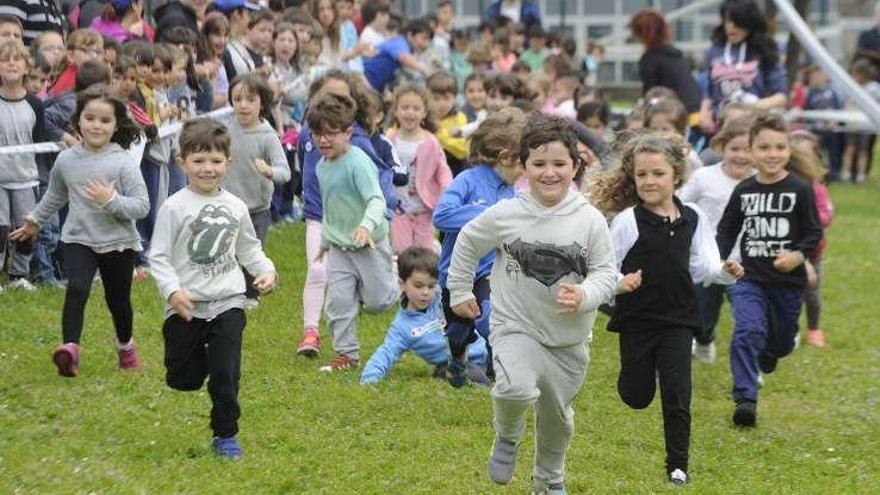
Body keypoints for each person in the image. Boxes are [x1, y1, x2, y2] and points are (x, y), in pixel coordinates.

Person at [448, 115, 617, 494]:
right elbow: (469, 240)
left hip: (568, 340)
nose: (549, 173)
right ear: (524, 166)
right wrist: (459, 291)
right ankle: (507, 437)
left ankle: (549, 481)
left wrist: (585, 294)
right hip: (515, 326)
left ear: (575, 166)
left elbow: (607, 273)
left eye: (559, 164)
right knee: (513, 390)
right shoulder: (508, 213)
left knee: (557, 418)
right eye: (539, 164)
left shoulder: (589, 220)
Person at [591, 134, 743, 486]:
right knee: (636, 396)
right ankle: (635, 382)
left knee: (678, 395)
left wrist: (726, 271)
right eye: (642, 174)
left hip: (678, 320)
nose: (649, 181)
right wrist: (619, 282)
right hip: (636, 321)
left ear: (676, 175)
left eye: (657, 173)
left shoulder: (694, 218)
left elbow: (704, 266)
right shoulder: (628, 220)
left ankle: (678, 465)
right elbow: (605, 265)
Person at [149, 118, 277, 460]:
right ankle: (199, 361)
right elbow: (158, 256)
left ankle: (226, 434)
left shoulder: (235, 207)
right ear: (182, 162)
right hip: (186, 306)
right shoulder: (174, 207)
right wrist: (173, 291)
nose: (208, 169)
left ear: (228, 162)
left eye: (216, 161)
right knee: (184, 378)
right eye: (199, 160)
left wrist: (265, 269)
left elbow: (249, 247)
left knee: (226, 374)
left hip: (228, 302)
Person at [10, 84, 148, 377]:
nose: (96, 125)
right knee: (76, 289)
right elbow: (55, 195)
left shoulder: (123, 161)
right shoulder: (68, 159)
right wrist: (34, 221)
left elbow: (141, 206)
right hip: (78, 238)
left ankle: (125, 346)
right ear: (78, 120)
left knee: (118, 299)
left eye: (105, 120)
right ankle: (70, 349)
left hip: (118, 242)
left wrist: (110, 200)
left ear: (116, 125)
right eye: (90, 118)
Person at [716, 112, 823, 427]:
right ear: (751, 150)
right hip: (750, 278)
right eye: (764, 147)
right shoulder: (745, 190)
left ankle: (771, 353)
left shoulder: (800, 189)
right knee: (748, 331)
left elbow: (813, 233)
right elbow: (727, 229)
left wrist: (799, 256)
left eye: (779, 147)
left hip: (788, 284)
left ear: (788, 150)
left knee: (780, 343)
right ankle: (745, 399)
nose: (772, 154)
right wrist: (720, 261)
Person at [433, 107, 527, 388]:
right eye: (525, 161)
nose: (528, 170)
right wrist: (488, 214)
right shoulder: (468, 180)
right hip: (456, 274)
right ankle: (457, 358)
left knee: (492, 324)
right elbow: (442, 216)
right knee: (459, 334)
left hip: (490, 274)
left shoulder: (513, 190)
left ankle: (500, 374)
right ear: (505, 158)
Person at [308, 92, 398, 372]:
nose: (323, 140)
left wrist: (365, 226)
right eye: (317, 134)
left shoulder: (358, 162)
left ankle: (401, 278)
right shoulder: (322, 166)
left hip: (370, 243)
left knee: (378, 301)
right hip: (340, 247)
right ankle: (347, 354)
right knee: (338, 302)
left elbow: (375, 199)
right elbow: (331, 207)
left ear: (348, 133)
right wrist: (325, 240)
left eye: (331, 134)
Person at [677, 117, 754, 363]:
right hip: (708, 260)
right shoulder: (704, 177)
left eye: (748, 149)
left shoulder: (760, 181)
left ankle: (750, 366)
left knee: (749, 316)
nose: (741, 155)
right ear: (721, 147)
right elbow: (680, 205)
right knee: (704, 313)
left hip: (746, 262)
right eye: (735, 149)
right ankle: (704, 337)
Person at [360, 246, 487, 385]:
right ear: (402, 285)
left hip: (486, 350)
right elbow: (386, 353)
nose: (426, 292)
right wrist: (369, 378)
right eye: (418, 286)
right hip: (462, 363)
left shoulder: (443, 297)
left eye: (431, 286)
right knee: (477, 377)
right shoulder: (402, 327)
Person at [224, 74, 291, 305]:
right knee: (227, 251)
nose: (243, 105)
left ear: (262, 103)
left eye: (250, 99)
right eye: (237, 99)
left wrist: (269, 171)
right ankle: (228, 292)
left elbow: (285, 171)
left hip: (257, 208)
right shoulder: (224, 129)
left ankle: (251, 295)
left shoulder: (267, 135)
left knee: (251, 252)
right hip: (228, 204)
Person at [698, 0, 786, 134]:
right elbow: (708, 93)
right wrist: (704, 114)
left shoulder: (764, 50)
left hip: (754, 126)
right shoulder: (715, 51)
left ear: (748, 22)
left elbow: (781, 97)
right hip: (720, 128)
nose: (731, 27)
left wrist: (750, 108)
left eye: (737, 21)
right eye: (727, 21)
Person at [0, 41, 46, 292]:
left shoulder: (35, 105)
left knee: (25, 228)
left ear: (26, 66)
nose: (11, 63)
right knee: (0, 227)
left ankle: (19, 275)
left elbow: (39, 143)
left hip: (25, 178)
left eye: (17, 59)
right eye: (5, 59)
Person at [386, 83, 451, 254]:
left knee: (425, 250)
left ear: (424, 113)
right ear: (396, 111)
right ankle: (403, 278)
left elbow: (442, 169)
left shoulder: (430, 141)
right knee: (402, 249)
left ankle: (428, 271)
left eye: (416, 108)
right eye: (405, 107)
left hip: (424, 205)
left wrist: (446, 188)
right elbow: (380, 167)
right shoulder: (390, 139)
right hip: (399, 206)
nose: (410, 112)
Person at [788, 130, 834, 348]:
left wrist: (809, 218)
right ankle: (790, 328)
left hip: (812, 253)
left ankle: (814, 328)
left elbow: (827, 215)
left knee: (811, 293)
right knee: (788, 293)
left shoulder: (817, 188)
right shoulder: (784, 186)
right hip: (785, 251)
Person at [629, 8, 702, 124]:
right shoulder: (676, 55)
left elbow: (649, 94)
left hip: (677, 115)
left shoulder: (650, 59)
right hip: (697, 111)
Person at [363, 18, 433, 94]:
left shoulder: (408, 49)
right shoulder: (400, 42)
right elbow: (403, 57)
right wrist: (426, 71)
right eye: (424, 38)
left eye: (429, 40)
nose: (426, 44)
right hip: (365, 81)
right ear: (410, 35)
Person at [90, 0, 155, 44]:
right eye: (141, 4)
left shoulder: (97, 22)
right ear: (134, 6)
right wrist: (141, 36)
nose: (142, 8)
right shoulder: (126, 41)